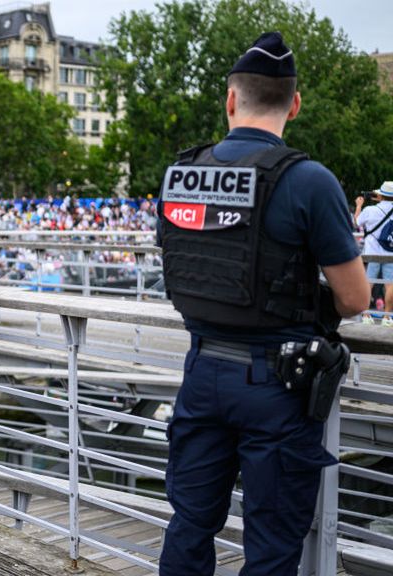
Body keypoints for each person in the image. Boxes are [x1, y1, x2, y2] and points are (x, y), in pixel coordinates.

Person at [156, 33, 370, 575]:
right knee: (272, 547)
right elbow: (354, 298)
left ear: (231, 100)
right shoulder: (309, 180)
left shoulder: (182, 174)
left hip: (201, 372)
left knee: (189, 525)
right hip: (278, 386)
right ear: (294, 103)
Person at [354, 181, 393, 325]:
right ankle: (387, 318)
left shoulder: (370, 210)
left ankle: (366, 315)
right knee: (390, 285)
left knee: (368, 283)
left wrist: (359, 206)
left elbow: (357, 222)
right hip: (391, 253)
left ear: (381, 195)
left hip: (372, 253)